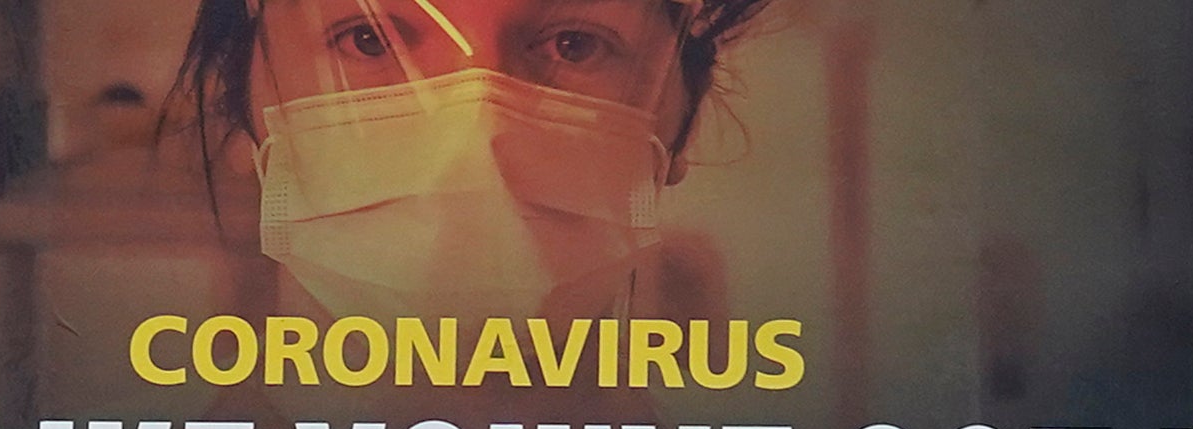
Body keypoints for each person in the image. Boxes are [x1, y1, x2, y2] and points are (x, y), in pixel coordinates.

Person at [172, 0, 773, 321]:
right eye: (368, 39)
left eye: (575, 44)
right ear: (243, 93)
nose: (472, 137)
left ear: (683, 121)